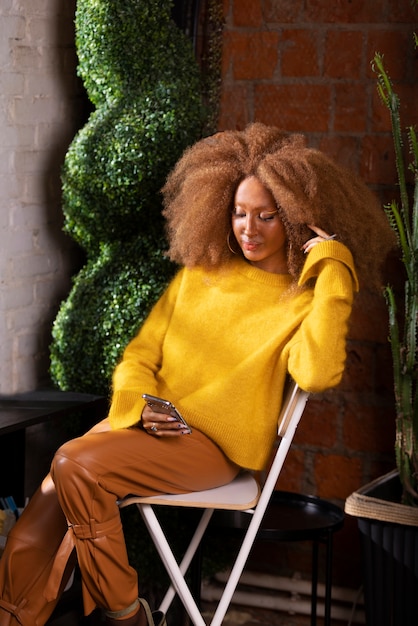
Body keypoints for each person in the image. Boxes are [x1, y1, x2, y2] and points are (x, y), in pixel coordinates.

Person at [0, 123, 395, 626]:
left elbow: (316, 374)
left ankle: (126, 617)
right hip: (149, 427)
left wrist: (335, 269)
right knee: (61, 478)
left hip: (213, 450)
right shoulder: (200, 275)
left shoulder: (303, 299)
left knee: (72, 465)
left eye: (266, 216)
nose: (248, 229)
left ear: (297, 219)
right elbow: (139, 355)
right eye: (238, 213)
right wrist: (141, 404)